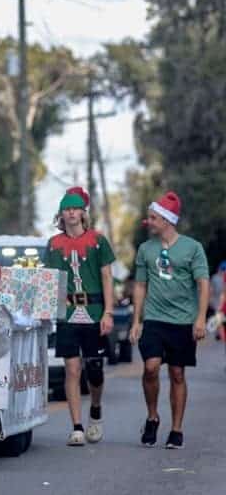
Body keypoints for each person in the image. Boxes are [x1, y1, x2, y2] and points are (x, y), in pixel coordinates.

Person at [130, 191, 209, 450]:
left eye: (153, 217)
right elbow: (140, 285)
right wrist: (136, 320)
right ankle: (152, 417)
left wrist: (200, 320)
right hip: (154, 318)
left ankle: (176, 430)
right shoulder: (145, 249)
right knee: (151, 367)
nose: (148, 221)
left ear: (166, 220)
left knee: (177, 373)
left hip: (183, 321)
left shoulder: (192, 248)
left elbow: (203, 284)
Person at [43, 187, 115, 446]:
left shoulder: (97, 241)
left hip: (94, 310)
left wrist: (108, 312)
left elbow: (107, 277)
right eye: (66, 209)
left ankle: (95, 409)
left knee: (94, 370)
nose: (71, 213)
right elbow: (49, 280)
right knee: (72, 369)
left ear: (83, 213)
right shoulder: (54, 245)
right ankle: (76, 427)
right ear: (61, 214)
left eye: (75, 208)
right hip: (67, 314)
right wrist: (47, 310)